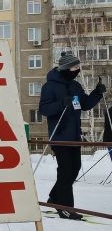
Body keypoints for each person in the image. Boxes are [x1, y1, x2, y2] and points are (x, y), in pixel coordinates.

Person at [39, 52, 105, 220]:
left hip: (74, 136)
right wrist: (61, 103)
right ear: (66, 68)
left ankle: (54, 198)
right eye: (75, 67)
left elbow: (85, 105)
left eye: (78, 67)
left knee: (73, 170)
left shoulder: (75, 85)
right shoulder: (50, 86)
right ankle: (65, 208)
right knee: (66, 172)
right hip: (60, 136)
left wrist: (97, 93)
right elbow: (44, 110)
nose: (78, 70)